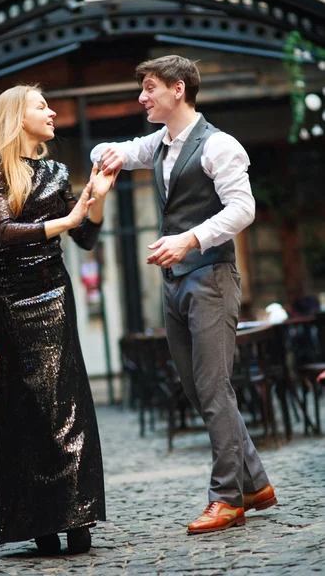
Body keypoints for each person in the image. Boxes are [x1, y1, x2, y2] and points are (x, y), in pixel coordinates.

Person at [91, 55, 277, 535]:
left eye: (149, 88)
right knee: (200, 391)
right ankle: (255, 482)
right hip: (176, 283)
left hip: (211, 276)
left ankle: (227, 499)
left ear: (178, 89)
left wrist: (189, 239)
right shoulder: (162, 142)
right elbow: (124, 150)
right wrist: (105, 153)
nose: (141, 97)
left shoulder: (220, 145)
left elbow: (244, 210)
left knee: (215, 389)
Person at [0, 84, 112, 554]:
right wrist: (67, 221)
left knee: (67, 397)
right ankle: (40, 521)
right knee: (29, 402)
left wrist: (98, 199)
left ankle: (77, 515)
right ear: (16, 117)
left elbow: (86, 238)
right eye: (41, 106)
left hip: (56, 291)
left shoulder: (55, 170)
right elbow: (5, 232)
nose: (51, 112)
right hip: (13, 295)